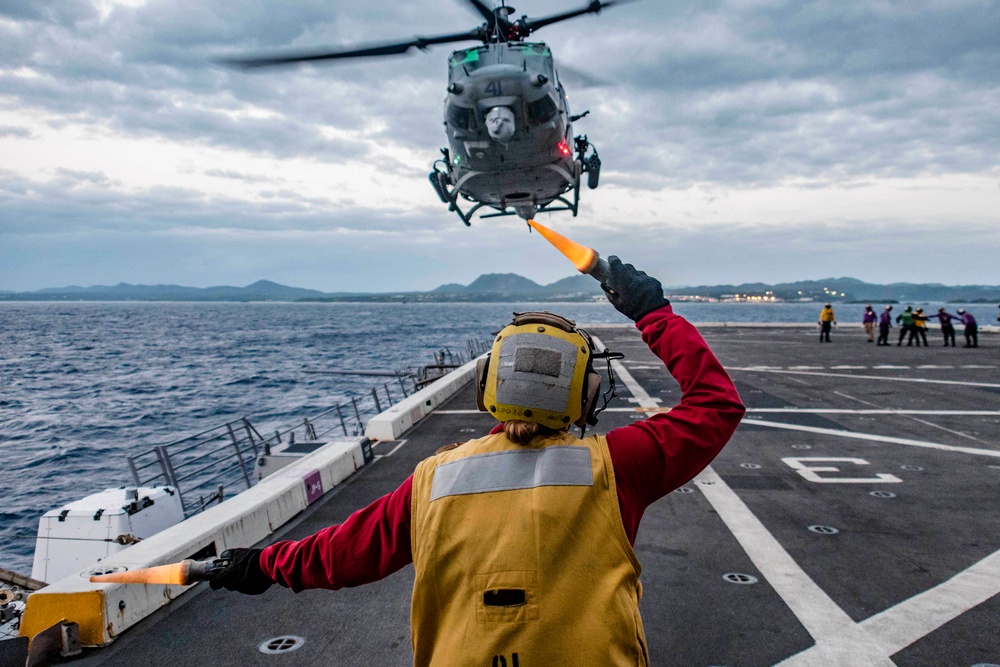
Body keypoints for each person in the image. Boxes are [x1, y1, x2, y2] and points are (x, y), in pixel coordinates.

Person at [207, 257, 746, 665]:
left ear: (490, 384)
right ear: (584, 394)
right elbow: (717, 405)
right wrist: (653, 313)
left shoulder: (432, 481)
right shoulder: (615, 468)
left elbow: (339, 556)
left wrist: (259, 565)